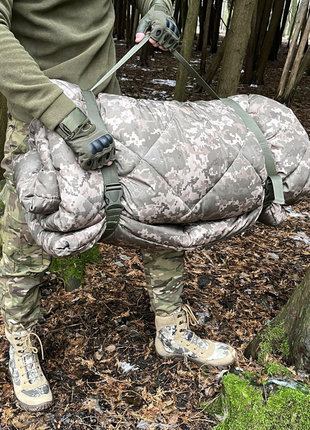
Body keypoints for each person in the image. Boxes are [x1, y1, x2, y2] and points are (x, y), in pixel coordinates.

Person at [0, 0, 237, 412]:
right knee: (25, 230)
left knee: (160, 207)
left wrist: (160, 9)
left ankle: (170, 328)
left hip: (108, 108)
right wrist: (58, 112)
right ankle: (21, 340)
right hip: (39, 111)